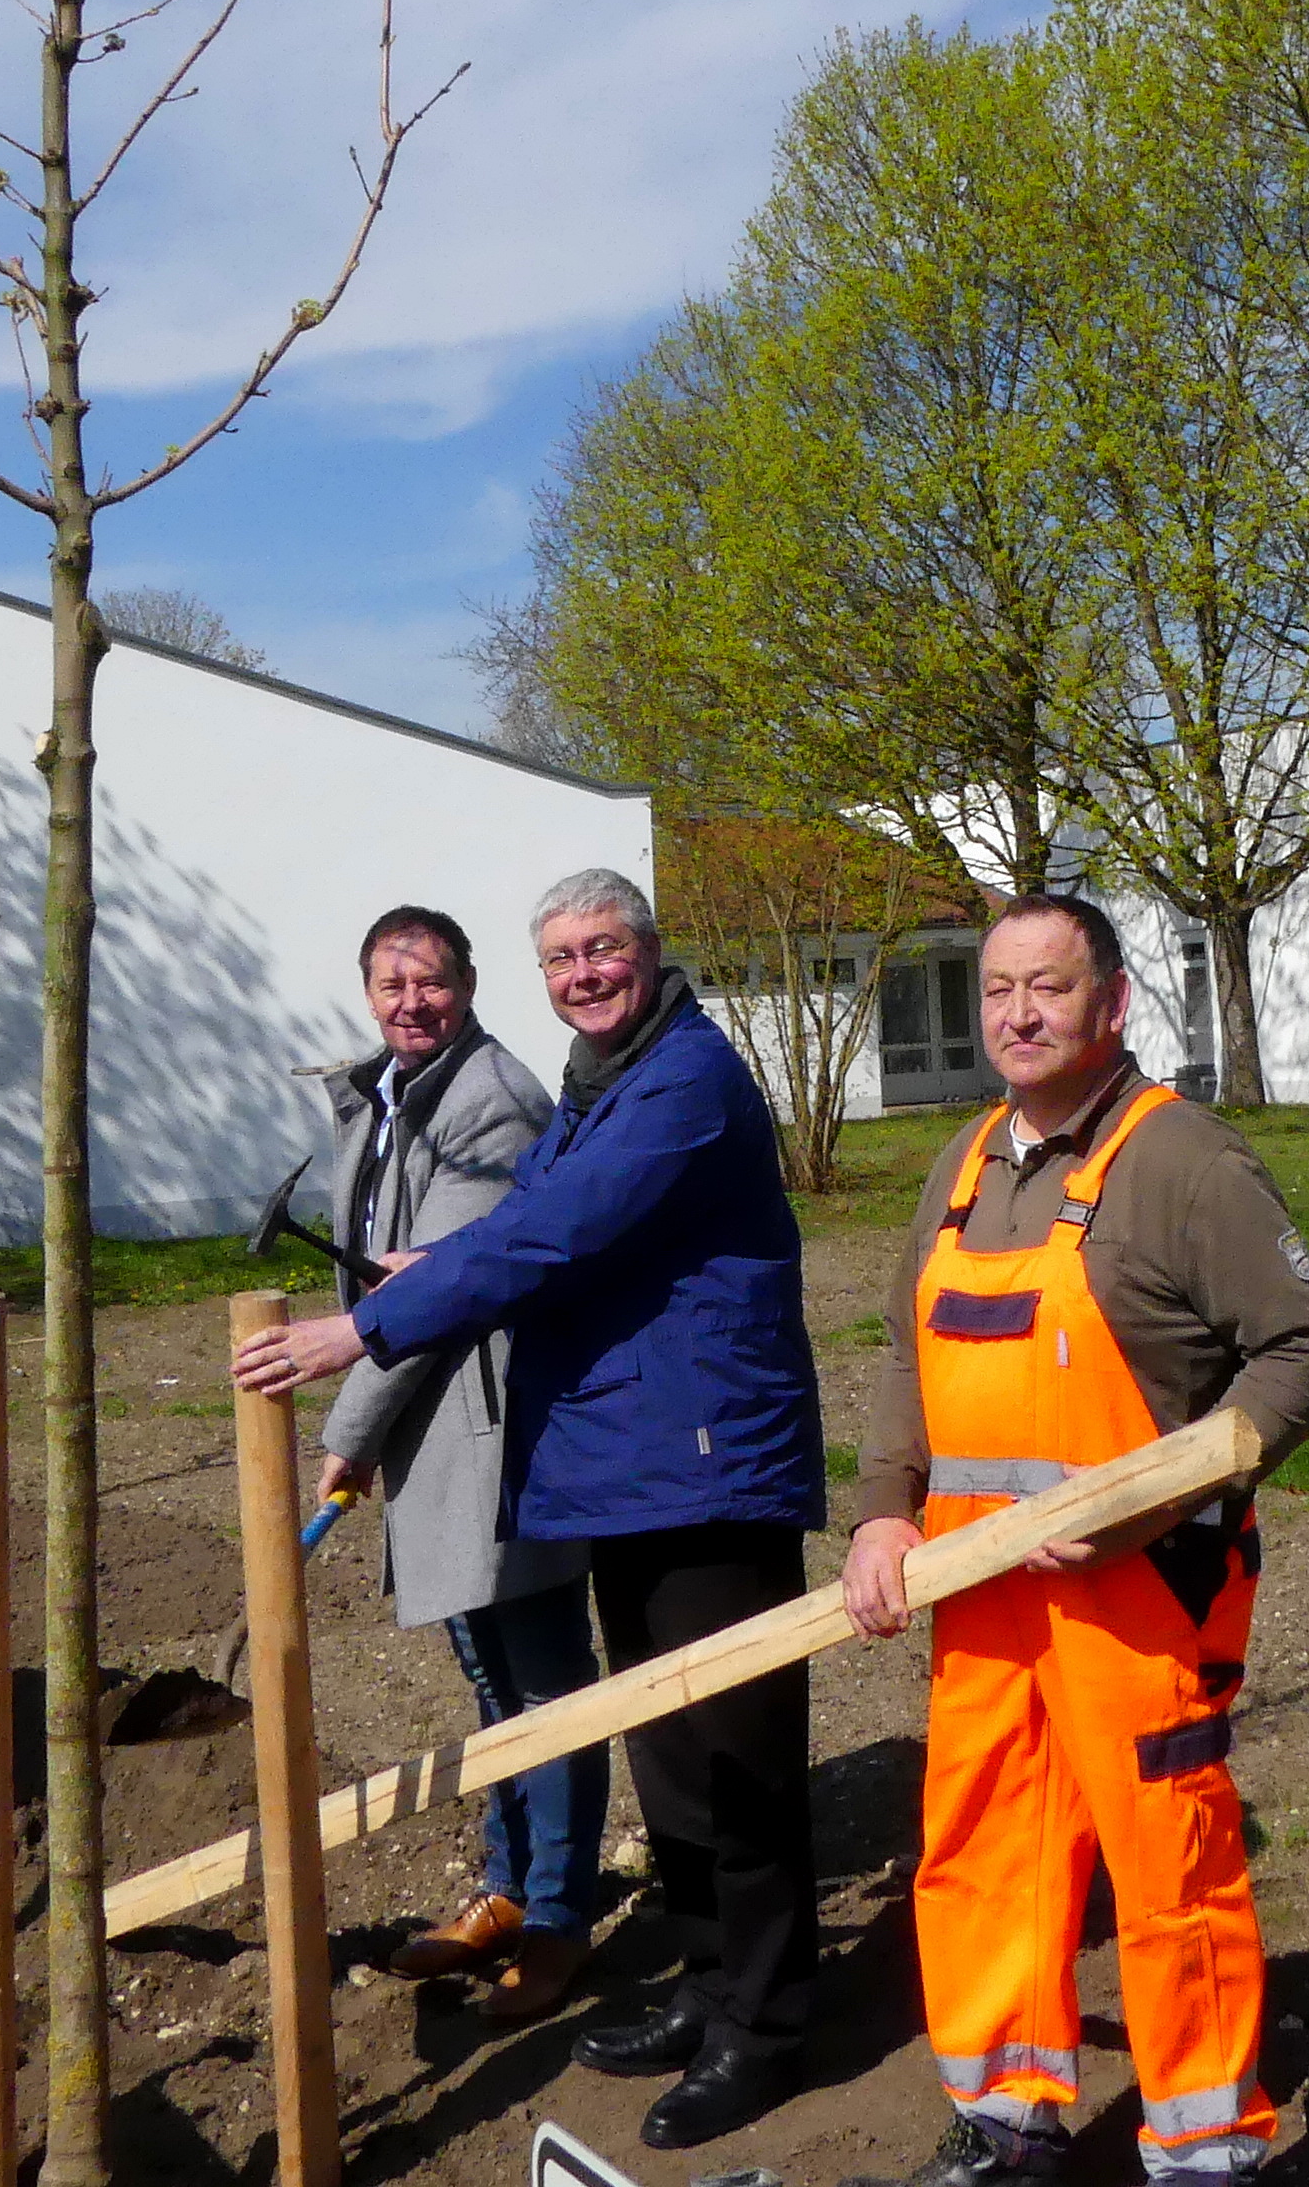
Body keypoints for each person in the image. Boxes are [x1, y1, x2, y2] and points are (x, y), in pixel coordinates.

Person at [232, 865, 825, 2154]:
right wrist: (431, 1266)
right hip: (629, 1463)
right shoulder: (594, 1080)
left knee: (739, 1756)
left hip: (708, 1460)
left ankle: (770, 2024)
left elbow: (555, 1232)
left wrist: (364, 1326)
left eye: (601, 950)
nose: (582, 975)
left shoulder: (685, 1080)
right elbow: (526, 1219)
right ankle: (707, 1983)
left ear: (648, 953)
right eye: (560, 958)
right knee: (665, 1749)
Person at [837, 894, 1309, 2187]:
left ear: (1111, 1005)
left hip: (1143, 1599)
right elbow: (908, 1355)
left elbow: (1305, 1355)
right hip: (978, 1597)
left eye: (1049, 989)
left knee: (1168, 1869)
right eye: (999, 988)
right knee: (983, 1855)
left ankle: (1203, 2152)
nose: (1017, 1013)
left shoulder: (1184, 1163)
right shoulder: (962, 1163)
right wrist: (885, 1509)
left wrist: (1157, 1499)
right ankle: (1009, 2125)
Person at [302, 902, 602, 2023]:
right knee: (490, 1677)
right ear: (367, 994)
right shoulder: (385, 1096)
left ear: (468, 985)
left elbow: (436, 1299)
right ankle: (509, 1888)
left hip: (495, 1428)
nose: (412, 1002)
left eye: (431, 982)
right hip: (438, 1425)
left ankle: (561, 1919)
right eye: (392, 984)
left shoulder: (491, 1104)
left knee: (543, 1682)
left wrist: (348, 1432)